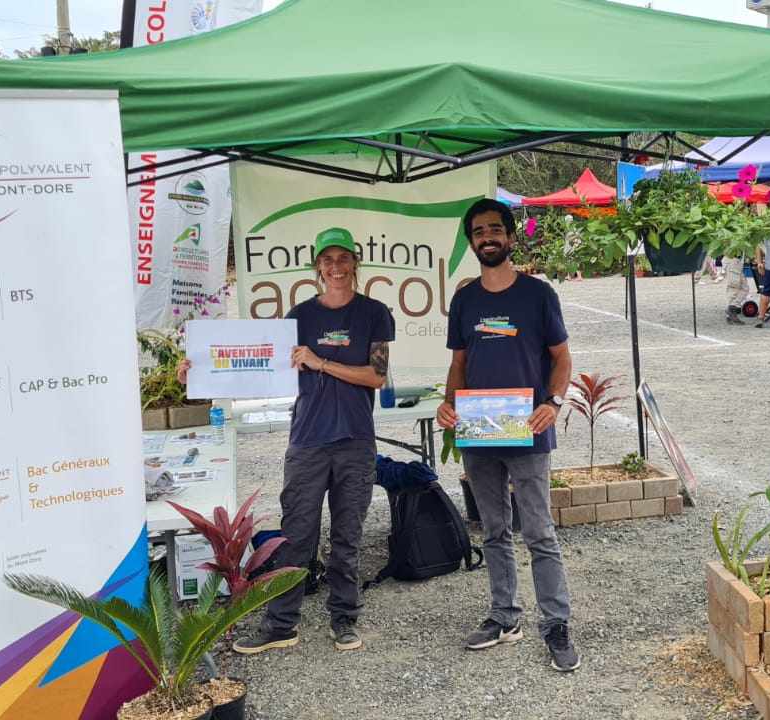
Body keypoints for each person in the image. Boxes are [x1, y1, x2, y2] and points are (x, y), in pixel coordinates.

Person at [182, 227, 394, 655]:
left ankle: (344, 618)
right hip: (308, 441)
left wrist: (321, 362)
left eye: (343, 258)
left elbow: (376, 376)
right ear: (317, 266)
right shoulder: (298, 317)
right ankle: (282, 624)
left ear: (355, 263)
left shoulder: (374, 313)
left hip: (355, 440)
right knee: (296, 536)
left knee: (348, 535)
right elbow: (254, 364)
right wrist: (200, 371)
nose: (335, 267)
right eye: (327, 259)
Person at [437, 198, 580, 673]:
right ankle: (504, 616)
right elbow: (458, 364)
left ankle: (556, 624)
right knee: (494, 531)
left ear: (511, 236)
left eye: (495, 229)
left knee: (539, 532)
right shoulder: (465, 300)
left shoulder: (538, 296)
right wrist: (449, 404)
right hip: (480, 432)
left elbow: (561, 358)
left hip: (528, 431)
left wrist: (553, 403)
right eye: (478, 231)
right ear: (471, 241)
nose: (487, 237)